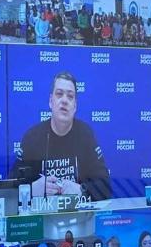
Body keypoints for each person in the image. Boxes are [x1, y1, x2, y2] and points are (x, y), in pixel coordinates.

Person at [8, 71, 112, 200]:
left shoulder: (86, 135)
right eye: (59, 94)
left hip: (77, 212)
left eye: (70, 96)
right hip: (43, 212)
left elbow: (105, 187)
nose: (64, 100)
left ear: (75, 106)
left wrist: (81, 190)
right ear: (51, 102)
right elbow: (9, 191)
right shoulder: (32, 138)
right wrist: (31, 190)